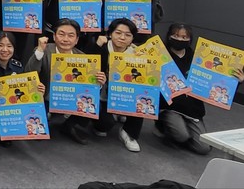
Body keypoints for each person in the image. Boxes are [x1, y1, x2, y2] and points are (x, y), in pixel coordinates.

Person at [155, 24, 244, 154]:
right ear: (169, 36)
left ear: (190, 39)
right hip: (170, 107)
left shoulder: (198, 58)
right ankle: (164, 128)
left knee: (203, 148)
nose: (179, 39)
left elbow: (217, 82)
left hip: (192, 109)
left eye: (184, 37)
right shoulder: (160, 55)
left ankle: (183, 134)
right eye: (176, 35)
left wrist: (237, 81)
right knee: (181, 135)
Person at [25, 18, 106, 145]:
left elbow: (90, 89)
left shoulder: (83, 58)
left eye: (71, 35)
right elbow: (29, 73)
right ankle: (49, 116)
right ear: (54, 36)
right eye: (61, 34)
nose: (65, 39)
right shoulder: (43, 50)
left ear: (77, 39)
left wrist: (99, 83)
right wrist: (39, 51)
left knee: (94, 104)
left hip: (71, 98)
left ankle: (70, 125)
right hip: (46, 96)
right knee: (38, 133)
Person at [85, 18, 144, 152]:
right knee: (104, 126)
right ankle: (107, 118)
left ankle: (129, 133)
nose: (122, 37)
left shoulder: (137, 54)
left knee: (141, 100)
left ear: (133, 38)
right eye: (118, 33)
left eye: (128, 35)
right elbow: (85, 66)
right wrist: (97, 46)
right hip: (102, 95)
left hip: (126, 95)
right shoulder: (100, 46)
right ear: (110, 33)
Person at [0, 31, 44, 149]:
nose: (5, 50)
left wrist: (38, 89)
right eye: (0, 45)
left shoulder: (17, 66)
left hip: (10, 106)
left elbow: (24, 91)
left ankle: (7, 133)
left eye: (9, 46)